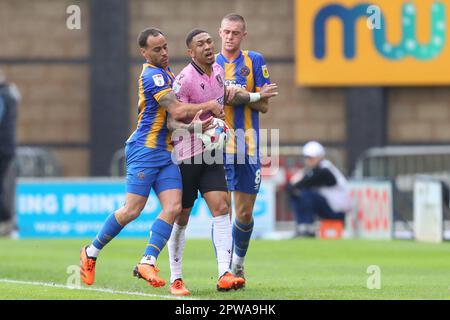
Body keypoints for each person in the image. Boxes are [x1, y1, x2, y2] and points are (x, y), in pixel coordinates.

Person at [79, 28, 223, 288]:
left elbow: (170, 122)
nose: (164, 52)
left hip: (166, 153)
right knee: (132, 210)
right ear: (144, 53)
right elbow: (177, 109)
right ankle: (91, 252)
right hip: (144, 151)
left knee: (174, 208)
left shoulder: (167, 74)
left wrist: (197, 129)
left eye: (166, 46)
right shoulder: (152, 75)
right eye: (157, 49)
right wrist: (208, 105)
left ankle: (147, 261)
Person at [166, 29, 278, 295]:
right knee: (182, 216)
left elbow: (227, 94)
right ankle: (176, 277)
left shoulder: (217, 70)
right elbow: (172, 122)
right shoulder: (184, 80)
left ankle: (224, 273)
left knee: (222, 208)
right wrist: (199, 127)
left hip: (212, 153)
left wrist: (256, 96)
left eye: (208, 42)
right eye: (200, 44)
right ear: (191, 53)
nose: (207, 46)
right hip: (187, 156)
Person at [215, 13, 278, 284]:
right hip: (216, 147)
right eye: (226, 32)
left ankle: (238, 262)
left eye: (235, 33)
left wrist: (238, 95)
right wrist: (238, 96)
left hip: (248, 146)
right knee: (221, 211)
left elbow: (264, 105)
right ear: (220, 33)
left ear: (244, 35)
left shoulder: (254, 61)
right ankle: (225, 270)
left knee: (244, 213)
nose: (230, 37)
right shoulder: (210, 64)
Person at [287, 141, 352, 237]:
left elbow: (302, 184)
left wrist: (296, 181)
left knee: (307, 194)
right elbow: (292, 188)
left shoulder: (324, 170)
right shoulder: (316, 170)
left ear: (320, 157)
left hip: (338, 212)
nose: (308, 160)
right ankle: (302, 226)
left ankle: (307, 227)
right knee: (297, 195)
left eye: (311, 158)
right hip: (330, 208)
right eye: (307, 158)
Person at [0, 70, 20, 236]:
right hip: (8, 148)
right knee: (5, 185)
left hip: (2, 148)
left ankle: (6, 222)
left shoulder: (3, 95)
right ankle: (8, 221)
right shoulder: (11, 94)